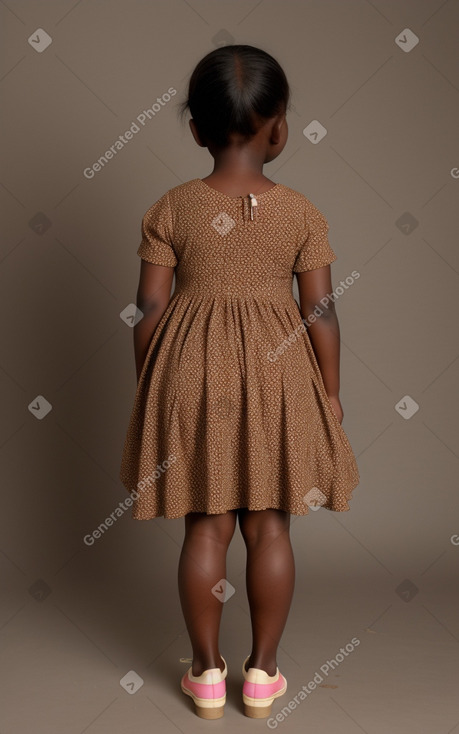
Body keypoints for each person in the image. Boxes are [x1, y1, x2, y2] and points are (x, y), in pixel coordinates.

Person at [119, 44, 360, 720]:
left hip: (190, 376)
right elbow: (320, 312)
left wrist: (153, 383)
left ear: (195, 127)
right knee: (270, 529)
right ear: (278, 126)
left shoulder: (170, 208)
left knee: (204, 527)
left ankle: (203, 674)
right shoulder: (301, 212)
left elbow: (148, 310)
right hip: (280, 373)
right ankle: (262, 675)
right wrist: (331, 390)